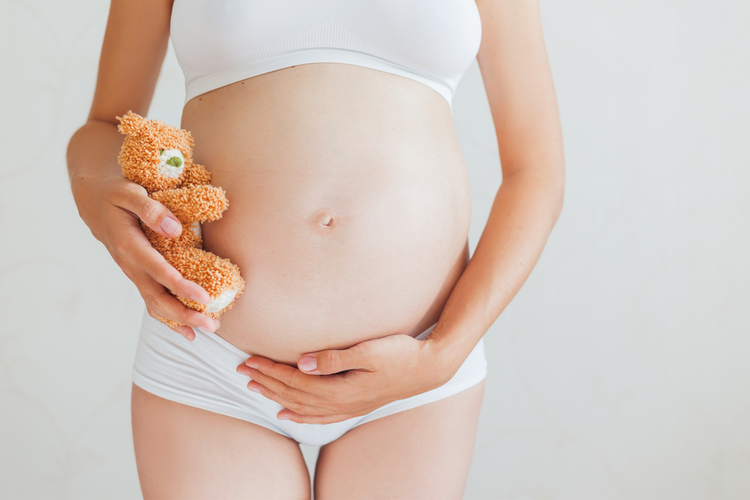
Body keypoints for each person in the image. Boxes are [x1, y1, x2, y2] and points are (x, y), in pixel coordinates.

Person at [67, 0, 565, 498]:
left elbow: (536, 171)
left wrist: (442, 354)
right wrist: (96, 197)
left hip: (414, 372)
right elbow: (105, 125)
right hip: (211, 362)